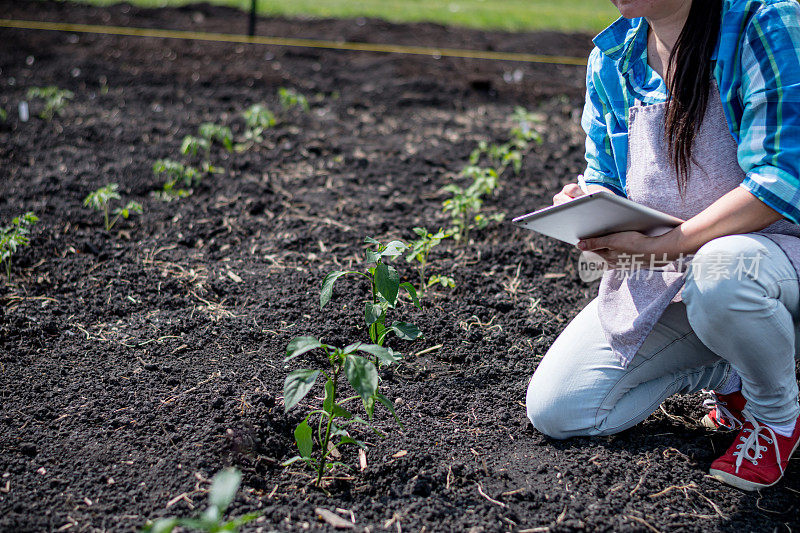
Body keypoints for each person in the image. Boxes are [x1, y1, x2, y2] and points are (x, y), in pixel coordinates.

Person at [525, 0, 800, 491]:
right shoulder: (613, 57)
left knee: (722, 270)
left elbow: (780, 181)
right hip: (674, 273)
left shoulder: (764, 23)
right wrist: (585, 203)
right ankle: (729, 365)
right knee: (561, 408)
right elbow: (606, 175)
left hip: (774, 259)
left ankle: (775, 415)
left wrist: (671, 244)